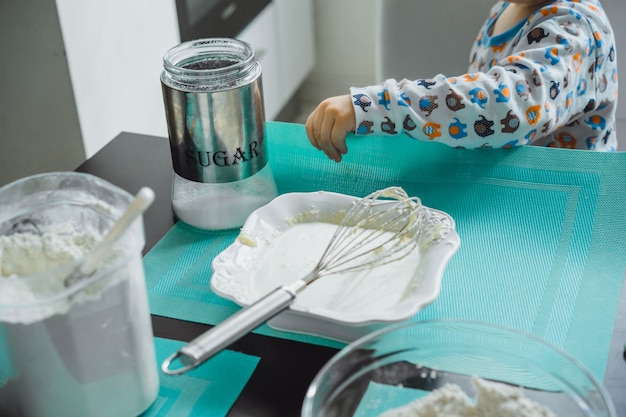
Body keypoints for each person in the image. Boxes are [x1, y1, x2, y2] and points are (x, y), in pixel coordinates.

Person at [305, 0, 618, 162]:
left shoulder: (573, 30)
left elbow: (505, 107)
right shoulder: (510, 8)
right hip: (508, 182)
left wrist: (380, 106)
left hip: (565, 209)